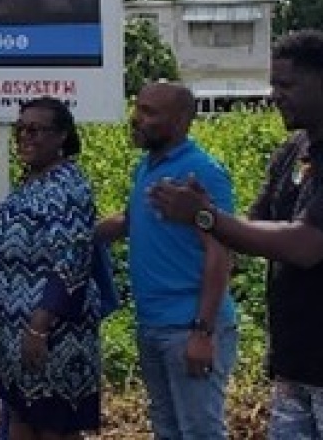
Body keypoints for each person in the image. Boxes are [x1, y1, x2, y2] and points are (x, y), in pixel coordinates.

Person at [149, 30, 323, 439]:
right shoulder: (294, 152)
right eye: (273, 83)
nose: (275, 94)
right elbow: (254, 228)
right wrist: (207, 216)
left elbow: (304, 246)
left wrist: (207, 218)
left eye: (287, 84)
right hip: (300, 367)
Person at [96, 81, 238, 439]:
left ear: (178, 121)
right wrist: (73, 236)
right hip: (152, 325)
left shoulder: (201, 172)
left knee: (199, 431)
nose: (136, 119)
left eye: (149, 112)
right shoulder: (146, 168)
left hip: (189, 327)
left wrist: (203, 332)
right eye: (138, 108)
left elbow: (221, 253)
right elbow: (130, 221)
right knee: (167, 428)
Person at [0, 97, 103, 439]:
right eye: (21, 129)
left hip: (52, 334)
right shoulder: (32, 182)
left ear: (61, 136)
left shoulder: (67, 186)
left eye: (35, 130)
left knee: (54, 428)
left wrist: (39, 327)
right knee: (23, 422)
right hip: (14, 335)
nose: (25, 136)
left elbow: (72, 261)